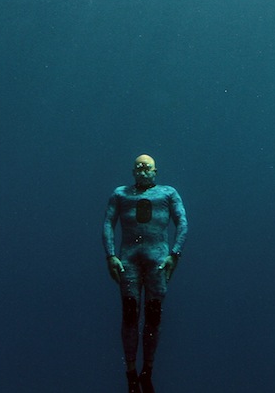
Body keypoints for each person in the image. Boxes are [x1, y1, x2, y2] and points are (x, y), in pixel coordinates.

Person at [102, 154, 188, 393]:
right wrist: (110, 255)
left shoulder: (168, 194)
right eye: (138, 167)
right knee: (130, 313)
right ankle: (130, 370)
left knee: (153, 315)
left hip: (157, 262)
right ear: (132, 171)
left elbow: (182, 222)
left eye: (146, 167)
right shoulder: (120, 194)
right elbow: (108, 223)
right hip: (128, 261)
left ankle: (147, 369)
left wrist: (174, 254)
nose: (142, 170)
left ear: (155, 171)